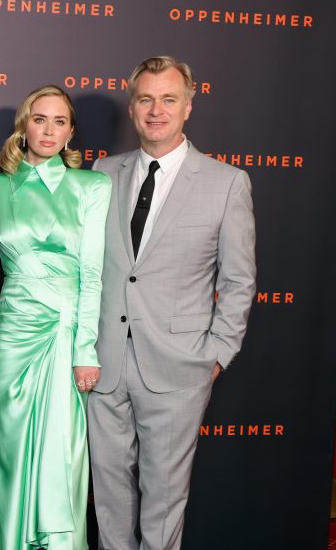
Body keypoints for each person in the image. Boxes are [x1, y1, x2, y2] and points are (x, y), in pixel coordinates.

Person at [88, 56, 256, 550]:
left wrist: (217, 353)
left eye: (168, 99)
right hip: (105, 363)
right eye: (145, 99)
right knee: (109, 500)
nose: (156, 110)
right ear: (132, 107)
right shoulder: (103, 172)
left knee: (163, 502)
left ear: (188, 106)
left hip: (180, 368)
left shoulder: (227, 183)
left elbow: (240, 280)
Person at [0, 85, 111, 550]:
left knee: (60, 456)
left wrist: (86, 348)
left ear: (70, 133)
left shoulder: (92, 185)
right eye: (40, 119)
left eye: (60, 121)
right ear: (23, 126)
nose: (49, 130)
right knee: (3, 456)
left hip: (66, 336)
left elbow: (91, 272)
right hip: (9, 340)